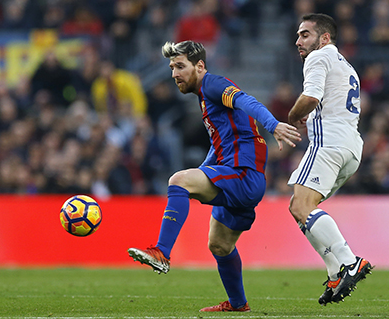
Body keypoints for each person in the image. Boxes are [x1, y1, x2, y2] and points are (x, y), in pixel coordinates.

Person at [128, 41, 301, 312]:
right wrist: (202, 170)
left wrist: (273, 125)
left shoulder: (213, 84)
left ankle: (161, 252)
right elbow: (219, 144)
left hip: (242, 175)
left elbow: (246, 100)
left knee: (178, 180)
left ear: (199, 66)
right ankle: (238, 304)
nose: (174, 74)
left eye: (180, 66)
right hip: (239, 176)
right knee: (219, 245)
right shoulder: (205, 96)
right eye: (172, 67)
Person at [287, 13, 372, 306]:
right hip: (351, 148)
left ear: (324, 39)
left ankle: (349, 262)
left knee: (301, 205)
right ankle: (335, 270)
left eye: (305, 35)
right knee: (299, 207)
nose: (298, 41)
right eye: (298, 35)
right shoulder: (345, 65)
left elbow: (310, 97)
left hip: (329, 144)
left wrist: (293, 115)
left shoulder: (318, 58)